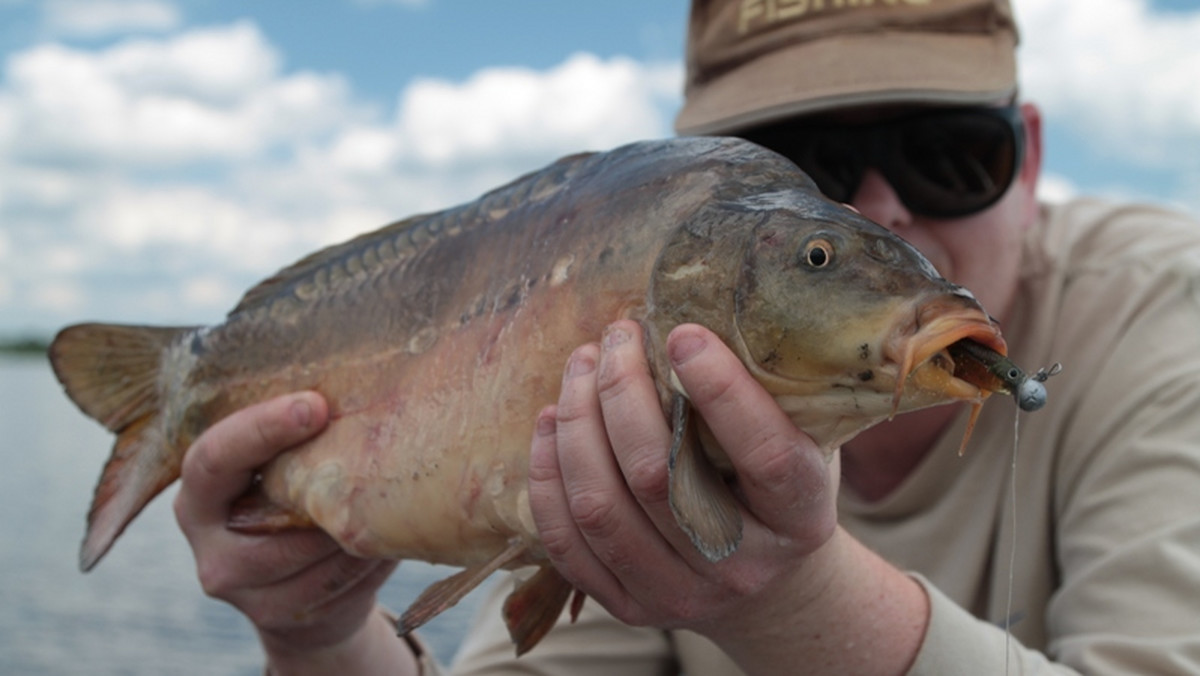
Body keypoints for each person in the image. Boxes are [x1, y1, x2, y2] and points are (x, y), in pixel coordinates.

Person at [172, 0, 1200, 674]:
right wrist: (323, 638)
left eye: (949, 154)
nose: (884, 208)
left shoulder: (1168, 314)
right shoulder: (638, 372)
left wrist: (796, 598)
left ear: (1029, 158)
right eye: (806, 171)